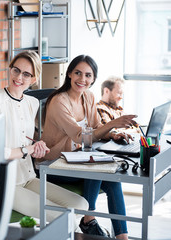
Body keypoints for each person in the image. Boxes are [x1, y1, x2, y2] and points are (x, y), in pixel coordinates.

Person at [0, 51, 89, 225]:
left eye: (26, 74)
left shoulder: (32, 103)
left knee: (81, 204)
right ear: (10, 70)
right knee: (66, 219)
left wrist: (36, 146)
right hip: (5, 184)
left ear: (34, 79)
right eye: (16, 70)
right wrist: (26, 150)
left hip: (28, 177)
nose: (19, 77)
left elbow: (25, 139)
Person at [39, 55, 137, 240]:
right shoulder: (59, 101)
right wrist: (112, 124)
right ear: (69, 74)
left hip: (77, 161)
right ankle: (89, 218)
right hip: (52, 163)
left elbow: (97, 128)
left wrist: (113, 133)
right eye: (77, 73)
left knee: (113, 179)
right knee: (97, 168)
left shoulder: (89, 97)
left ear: (93, 79)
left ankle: (122, 237)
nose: (82, 79)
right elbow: (79, 135)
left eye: (87, 75)